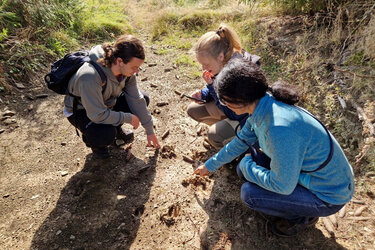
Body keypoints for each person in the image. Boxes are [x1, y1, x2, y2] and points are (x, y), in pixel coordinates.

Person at [194, 58, 354, 237]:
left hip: (328, 194)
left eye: (224, 102)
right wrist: (210, 165)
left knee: (249, 193)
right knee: (243, 168)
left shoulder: (278, 128)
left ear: (237, 100)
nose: (224, 106)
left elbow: (282, 186)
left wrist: (248, 167)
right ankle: (294, 205)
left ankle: (303, 218)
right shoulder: (262, 105)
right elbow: (240, 141)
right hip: (308, 173)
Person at [63, 35, 160, 158]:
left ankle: (116, 130)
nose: (137, 71)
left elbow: (137, 100)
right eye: (134, 67)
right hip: (81, 110)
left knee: (144, 98)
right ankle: (95, 142)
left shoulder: (127, 73)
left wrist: (149, 131)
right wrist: (128, 117)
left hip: (106, 102)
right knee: (105, 133)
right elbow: (97, 114)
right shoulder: (89, 76)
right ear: (119, 61)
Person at [187, 24, 260, 149]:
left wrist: (211, 86)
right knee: (193, 110)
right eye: (202, 65)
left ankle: (240, 149)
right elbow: (217, 90)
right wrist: (203, 94)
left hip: (246, 120)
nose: (204, 69)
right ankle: (226, 132)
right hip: (230, 108)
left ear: (220, 56)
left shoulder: (236, 73)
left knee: (214, 136)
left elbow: (233, 113)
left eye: (206, 64)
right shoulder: (222, 63)